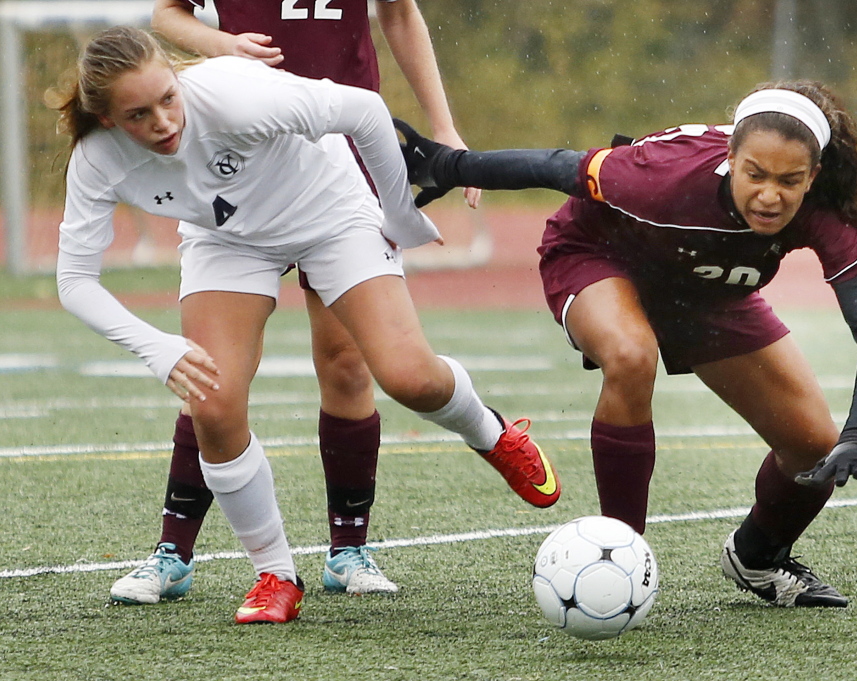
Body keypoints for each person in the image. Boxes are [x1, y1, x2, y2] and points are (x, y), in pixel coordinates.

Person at [50, 26, 559, 623]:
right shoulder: (96, 160)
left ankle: (491, 432)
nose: (164, 122)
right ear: (106, 119)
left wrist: (397, 215)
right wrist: (155, 348)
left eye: (168, 98)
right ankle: (274, 573)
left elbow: (366, 111)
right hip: (228, 240)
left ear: (175, 77)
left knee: (409, 378)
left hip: (330, 213)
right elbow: (75, 281)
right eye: (139, 114)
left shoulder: (235, 95)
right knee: (211, 404)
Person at [394, 79, 857, 607]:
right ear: (730, 157)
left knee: (814, 447)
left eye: (789, 180)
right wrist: (446, 166)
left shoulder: (825, 211)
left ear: (814, 176)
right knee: (633, 355)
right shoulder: (662, 175)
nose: (770, 195)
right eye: (755, 174)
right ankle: (621, 554)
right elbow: (553, 166)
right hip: (602, 255)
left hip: (710, 290)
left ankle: (759, 557)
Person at [108, 0, 483, 605]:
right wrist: (219, 44)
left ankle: (349, 548)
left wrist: (443, 125)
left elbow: (400, 14)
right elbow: (167, 15)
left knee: (346, 361)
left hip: (339, 155)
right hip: (231, 157)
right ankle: (173, 551)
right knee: (212, 376)